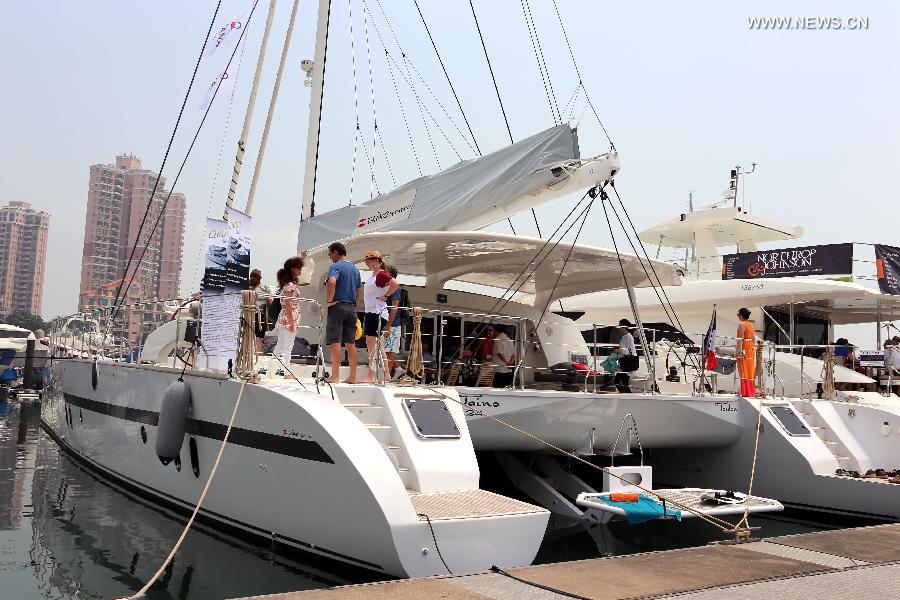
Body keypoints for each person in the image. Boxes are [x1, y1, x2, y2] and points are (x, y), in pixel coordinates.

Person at [325, 242, 363, 383]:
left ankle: (335, 376)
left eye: (330, 254)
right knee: (350, 343)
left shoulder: (336, 266)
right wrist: (356, 306)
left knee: (336, 342)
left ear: (335, 252)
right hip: (351, 309)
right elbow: (360, 290)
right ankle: (353, 377)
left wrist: (329, 300)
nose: (330, 257)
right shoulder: (355, 269)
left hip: (338, 307)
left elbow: (332, 282)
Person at [361, 251, 399, 383]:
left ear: (377, 260)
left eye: (369, 260)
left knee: (371, 346)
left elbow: (395, 283)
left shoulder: (381, 274)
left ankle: (371, 376)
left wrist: (386, 296)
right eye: (366, 261)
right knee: (378, 346)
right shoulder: (374, 275)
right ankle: (387, 374)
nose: (367, 262)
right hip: (374, 312)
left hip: (375, 313)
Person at [273, 261, 302, 375]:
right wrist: (291, 322)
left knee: (281, 344)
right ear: (292, 269)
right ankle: (287, 373)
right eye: (299, 268)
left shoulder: (287, 284)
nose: (301, 270)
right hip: (289, 318)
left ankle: (272, 367)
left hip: (283, 317)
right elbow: (288, 303)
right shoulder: (290, 285)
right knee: (288, 346)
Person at [384, 265, 404, 381]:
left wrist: (388, 326)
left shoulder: (395, 288)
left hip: (393, 325)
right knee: (385, 351)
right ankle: (398, 369)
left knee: (389, 352)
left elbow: (394, 308)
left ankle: (387, 378)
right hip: (388, 324)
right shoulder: (388, 287)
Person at [248, 269, 272, 352]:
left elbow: (269, 303)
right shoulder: (246, 287)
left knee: (255, 337)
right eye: (252, 277)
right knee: (254, 337)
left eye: (254, 277)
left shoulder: (264, 288)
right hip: (253, 315)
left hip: (254, 315)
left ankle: (254, 355)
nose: (252, 279)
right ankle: (254, 355)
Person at [736, 307, 757, 397]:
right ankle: (749, 390)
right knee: (749, 370)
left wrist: (738, 352)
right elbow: (753, 339)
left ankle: (744, 390)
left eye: (738, 314)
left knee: (742, 369)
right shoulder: (750, 325)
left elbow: (740, 340)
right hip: (750, 349)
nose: (737, 316)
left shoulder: (742, 325)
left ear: (741, 315)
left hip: (744, 349)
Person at [612, 319, 637, 392]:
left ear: (624, 327)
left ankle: (627, 395)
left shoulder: (629, 337)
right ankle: (626, 395)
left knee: (617, 381)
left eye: (620, 325)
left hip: (626, 363)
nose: (619, 327)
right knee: (624, 382)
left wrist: (619, 350)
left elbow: (631, 351)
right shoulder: (624, 337)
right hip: (623, 363)